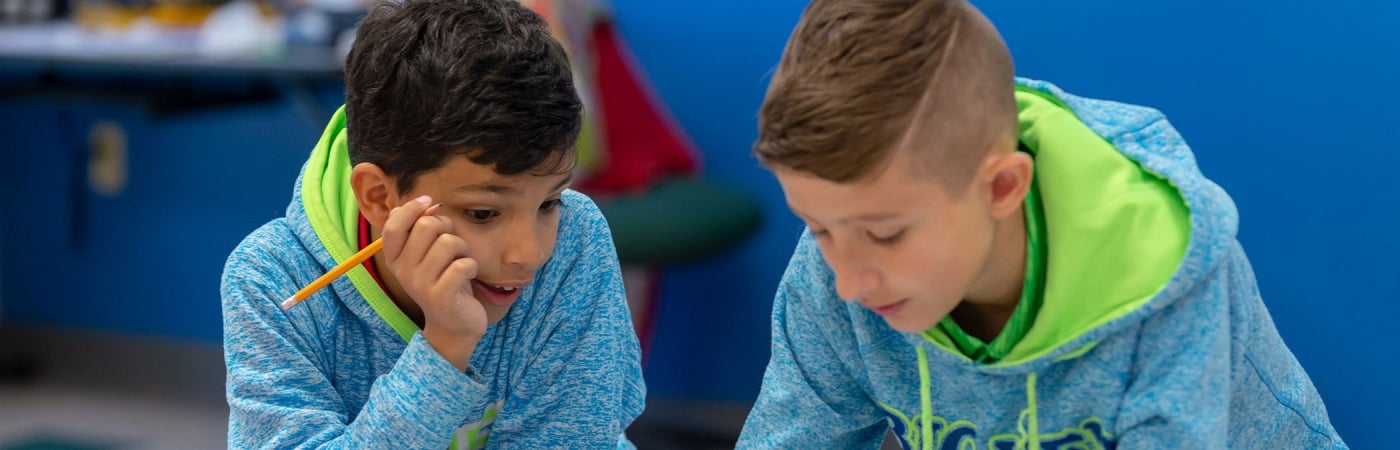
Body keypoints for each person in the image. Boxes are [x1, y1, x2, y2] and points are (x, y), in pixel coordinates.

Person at [737, 0, 1346, 448]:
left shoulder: (1161, 272)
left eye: (889, 234)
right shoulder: (845, 246)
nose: (848, 281)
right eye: (817, 228)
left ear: (1002, 187)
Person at [220, 0, 644, 447]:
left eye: (549, 202)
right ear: (379, 198)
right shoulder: (271, 277)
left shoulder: (576, 239)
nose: (530, 254)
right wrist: (444, 350)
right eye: (482, 213)